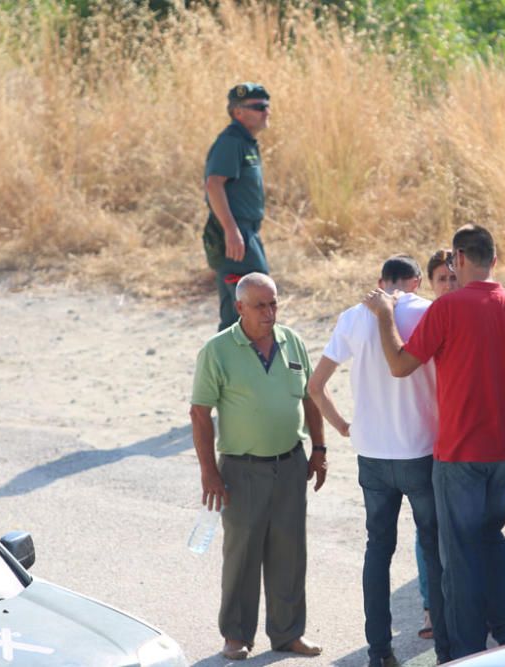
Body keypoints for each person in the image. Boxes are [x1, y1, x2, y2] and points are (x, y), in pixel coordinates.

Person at [363, 224, 505, 659]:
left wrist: (386, 317)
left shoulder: (447, 308)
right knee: (492, 539)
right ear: (493, 260)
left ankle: (464, 652)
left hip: (461, 451)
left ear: (458, 258)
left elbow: (402, 365)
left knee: (458, 556)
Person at [306, 255, 449, 667]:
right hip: (419, 448)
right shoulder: (429, 312)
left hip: (371, 452)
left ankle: (379, 652)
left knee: (378, 551)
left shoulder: (354, 316)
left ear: (380, 281)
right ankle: (444, 649)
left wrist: (344, 427)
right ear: (417, 281)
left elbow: (316, 386)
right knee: (433, 549)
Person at [189, 273, 327, 661]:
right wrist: (209, 472)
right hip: (241, 468)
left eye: (273, 304)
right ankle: (236, 636)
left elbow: (310, 397)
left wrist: (318, 449)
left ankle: (288, 634)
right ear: (239, 308)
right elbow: (200, 414)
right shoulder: (217, 351)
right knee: (242, 555)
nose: (269, 313)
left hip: (290, 464)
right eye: (260, 306)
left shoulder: (292, 341)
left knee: (290, 553)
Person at [414, 247, 459, 641]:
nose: (448, 284)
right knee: (427, 527)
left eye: (453, 278)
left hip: (459, 437)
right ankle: (431, 607)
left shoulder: (465, 317)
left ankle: (458, 604)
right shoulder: (424, 318)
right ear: (430, 283)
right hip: (425, 437)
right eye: (442, 279)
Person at [203, 82, 272, 332]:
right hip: (236, 233)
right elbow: (213, 184)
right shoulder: (231, 141)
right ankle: (228, 368)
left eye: (267, 106)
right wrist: (231, 231)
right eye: (258, 107)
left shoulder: (245, 141)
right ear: (238, 112)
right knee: (250, 307)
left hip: (246, 232)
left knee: (249, 308)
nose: (266, 111)